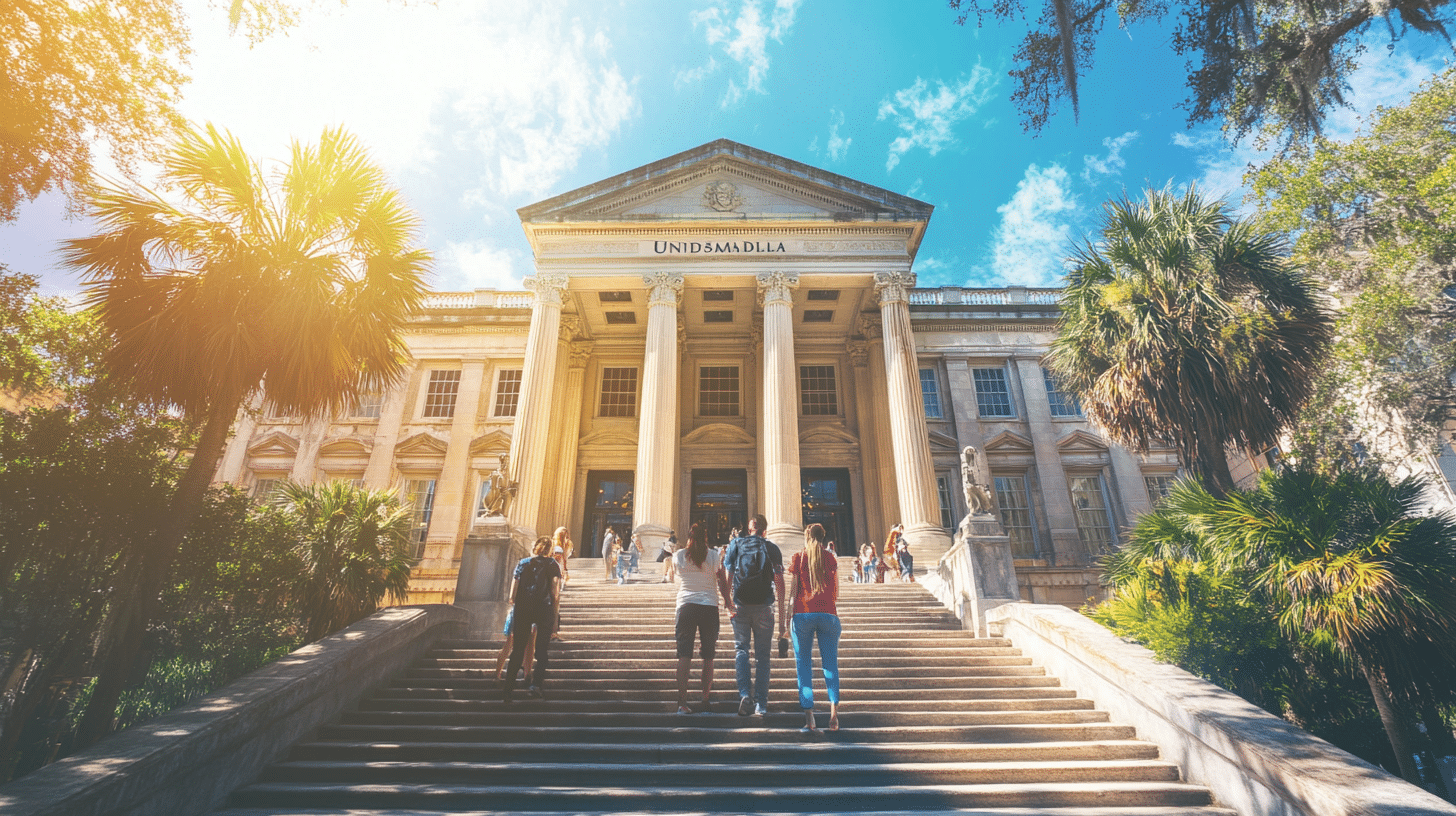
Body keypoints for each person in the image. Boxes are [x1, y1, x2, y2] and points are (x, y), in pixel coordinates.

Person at [721, 514, 785, 717]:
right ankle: (761, 704)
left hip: (740, 605)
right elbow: (780, 584)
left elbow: (728, 575)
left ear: (749, 530)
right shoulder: (771, 548)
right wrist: (782, 619)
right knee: (763, 657)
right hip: (765, 607)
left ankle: (744, 695)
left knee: (741, 650)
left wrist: (728, 603)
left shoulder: (735, 544)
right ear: (765, 531)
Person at [671, 523, 734, 714]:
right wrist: (729, 602)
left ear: (689, 536)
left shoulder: (679, 555)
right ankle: (705, 699)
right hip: (708, 606)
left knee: (684, 655)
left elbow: (674, 577)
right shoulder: (713, 556)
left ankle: (682, 703)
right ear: (705, 537)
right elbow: (722, 582)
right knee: (708, 656)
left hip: (686, 605)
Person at [785, 523, 841, 732]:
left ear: (807, 537)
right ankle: (834, 716)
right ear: (823, 537)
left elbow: (793, 593)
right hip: (828, 614)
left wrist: (786, 620)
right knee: (830, 666)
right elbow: (836, 592)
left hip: (803, 614)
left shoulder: (799, 557)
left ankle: (810, 719)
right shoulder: (831, 558)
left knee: (803, 666)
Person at [502, 536, 562, 703]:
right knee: (541, 651)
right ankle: (535, 686)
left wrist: (518, 603)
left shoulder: (523, 563)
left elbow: (512, 594)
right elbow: (555, 593)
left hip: (523, 609)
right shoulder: (553, 564)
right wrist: (554, 618)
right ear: (550, 550)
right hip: (544, 608)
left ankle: (507, 691)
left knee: (518, 650)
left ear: (536, 547)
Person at [550, 526, 572, 640]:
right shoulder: (553, 544)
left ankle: (554, 631)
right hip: (553, 574)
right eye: (564, 535)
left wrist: (565, 569)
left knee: (555, 604)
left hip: (558, 573)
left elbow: (563, 559)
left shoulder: (565, 544)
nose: (566, 537)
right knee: (554, 602)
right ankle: (552, 632)